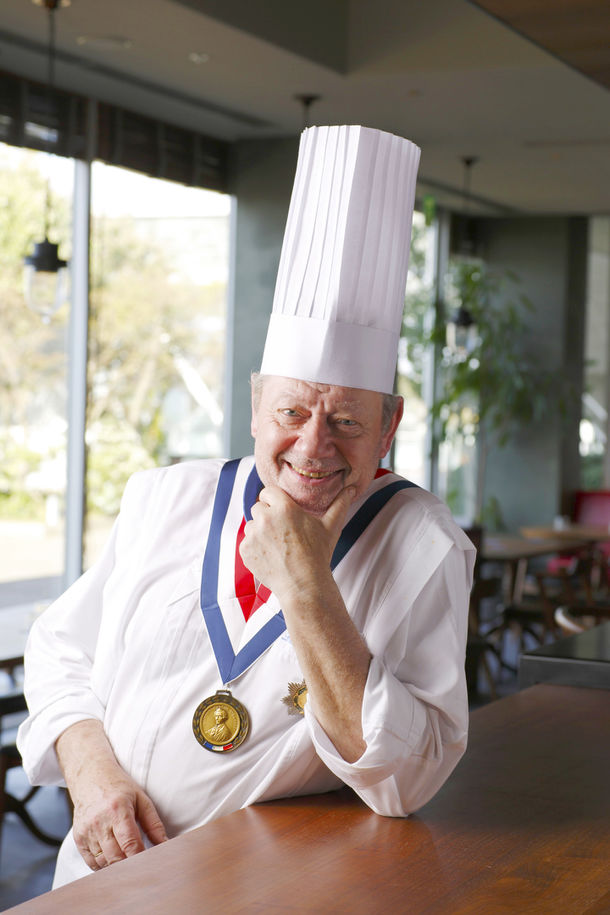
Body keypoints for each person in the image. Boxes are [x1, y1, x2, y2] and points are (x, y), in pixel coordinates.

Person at [18, 125, 475, 888]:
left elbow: (408, 778)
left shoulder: (423, 543)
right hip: (97, 881)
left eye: (347, 420)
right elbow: (61, 649)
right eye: (292, 411)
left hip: (269, 893)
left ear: (390, 425)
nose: (314, 446)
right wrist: (93, 775)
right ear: (257, 404)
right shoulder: (167, 496)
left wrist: (307, 586)